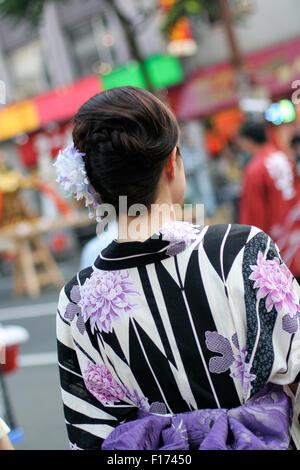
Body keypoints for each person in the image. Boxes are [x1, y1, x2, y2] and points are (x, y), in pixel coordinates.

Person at [55, 87, 300, 450]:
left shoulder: (76, 301)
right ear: (172, 162)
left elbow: (89, 434)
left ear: (94, 184)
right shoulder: (240, 250)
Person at [238, 120, 300, 284]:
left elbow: (253, 216)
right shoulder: (284, 157)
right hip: (295, 235)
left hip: (279, 249)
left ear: (248, 140)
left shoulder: (254, 169)